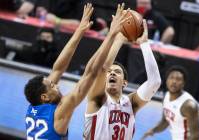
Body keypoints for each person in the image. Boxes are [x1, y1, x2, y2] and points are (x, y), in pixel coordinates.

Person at [24, 3, 129, 139]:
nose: (56, 85)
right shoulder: (61, 111)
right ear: (45, 97)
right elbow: (91, 73)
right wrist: (111, 35)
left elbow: (58, 68)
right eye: (52, 86)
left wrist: (79, 31)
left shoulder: (34, 106)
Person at [83, 16, 162, 139]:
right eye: (110, 72)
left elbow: (155, 82)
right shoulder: (96, 98)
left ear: (125, 83)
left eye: (117, 72)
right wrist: (119, 39)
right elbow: (103, 68)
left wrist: (144, 44)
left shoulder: (130, 103)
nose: (112, 73)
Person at [142, 66, 199, 140]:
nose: (174, 81)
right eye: (171, 78)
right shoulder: (166, 97)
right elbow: (165, 121)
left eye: (178, 79)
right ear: (166, 80)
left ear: (183, 84)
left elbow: (196, 135)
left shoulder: (189, 105)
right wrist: (153, 130)